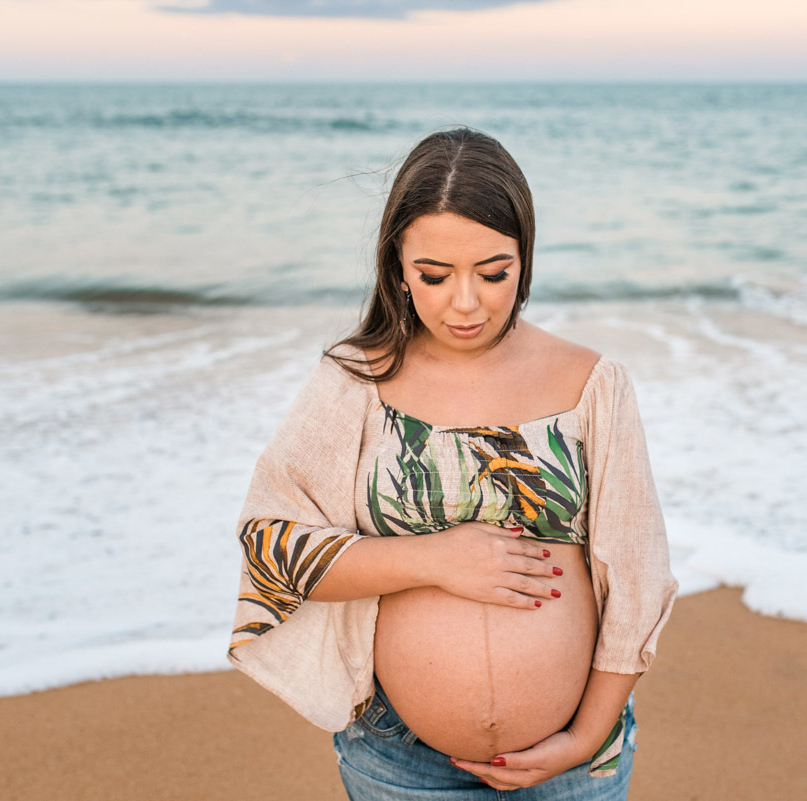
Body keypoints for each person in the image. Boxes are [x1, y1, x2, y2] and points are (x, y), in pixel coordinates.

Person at [226, 126, 679, 799]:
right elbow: (274, 546)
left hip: (575, 756)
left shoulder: (593, 383)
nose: (465, 302)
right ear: (397, 269)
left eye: (493, 272)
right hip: (400, 759)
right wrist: (436, 558)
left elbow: (637, 577)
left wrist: (585, 735)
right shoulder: (356, 381)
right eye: (434, 275)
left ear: (525, 257)